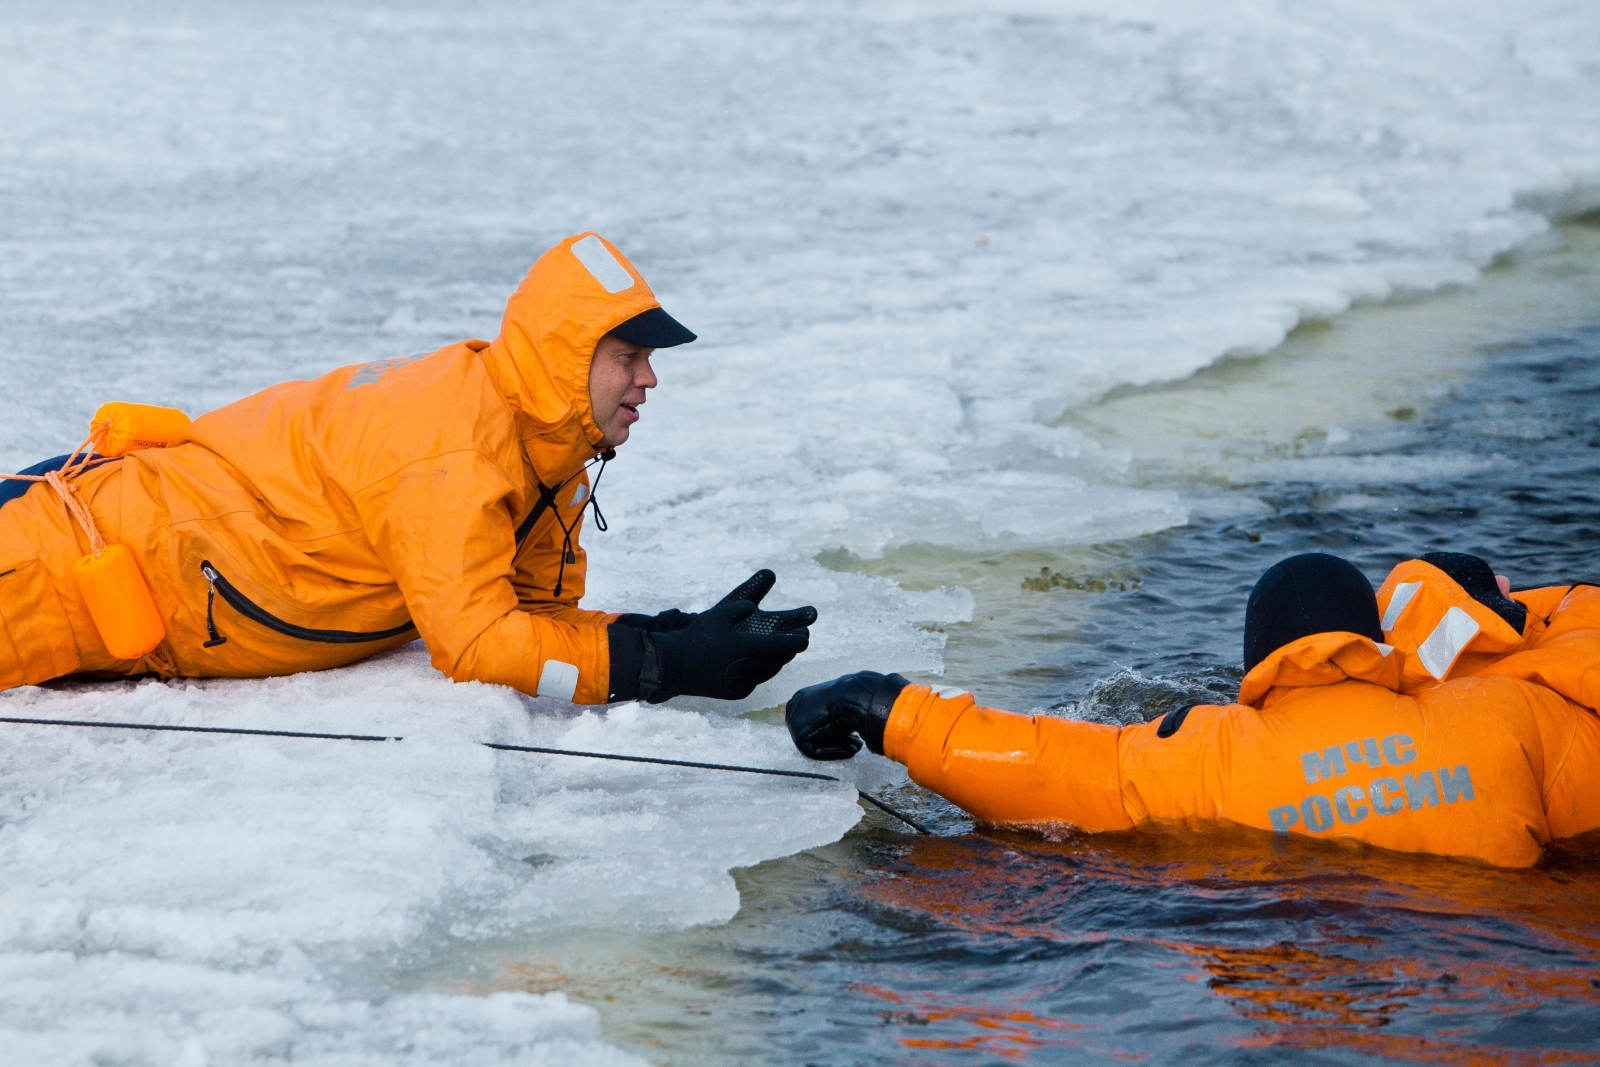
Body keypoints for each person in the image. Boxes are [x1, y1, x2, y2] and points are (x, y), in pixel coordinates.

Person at [0, 232, 814, 703]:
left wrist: (664, 634)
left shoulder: (542, 444)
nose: (649, 379)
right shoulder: (457, 447)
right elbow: (475, 644)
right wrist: (663, 668)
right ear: (567, 362)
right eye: (629, 357)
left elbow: (524, 615)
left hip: (125, 540)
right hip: (68, 560)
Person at [786, 552, 1600, 867]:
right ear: (1372, 640)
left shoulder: (1207, 754)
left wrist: (881, 704)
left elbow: (1042, 763)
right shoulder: (1506, 713)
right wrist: (1492, 620)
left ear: (1258, 661)